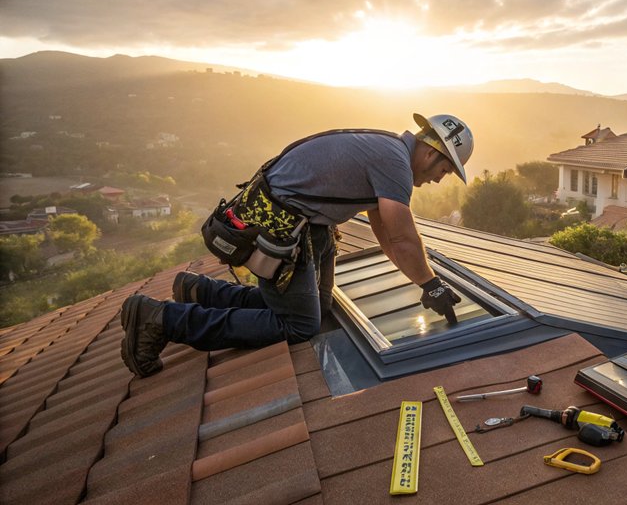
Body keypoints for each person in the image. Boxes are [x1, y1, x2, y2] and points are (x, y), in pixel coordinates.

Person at [120, 113, 473, 378]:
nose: (438, 180)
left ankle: (201, 291)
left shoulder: (387, 149)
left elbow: (387, 234)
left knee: (318, 306)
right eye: (445, 170)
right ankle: (162, 319)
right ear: (430, 154)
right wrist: (431, 284)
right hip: (282, 226)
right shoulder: (394, 161)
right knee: (299, 325)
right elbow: (403, 238)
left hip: (300, 223)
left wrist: (423, 282)